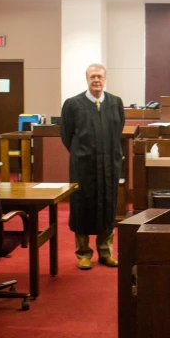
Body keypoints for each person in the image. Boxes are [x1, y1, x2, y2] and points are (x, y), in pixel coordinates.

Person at [61, 63, 125, 270]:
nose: (96, 80)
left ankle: (106, 253)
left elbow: (118, 131)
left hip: (109, 165)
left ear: (105, 79)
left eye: (99, 76)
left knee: (108, 206)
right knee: (82, 207)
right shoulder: (73, 104)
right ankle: (83, 253)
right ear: (86, 79)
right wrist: (82, 154)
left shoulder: (115, 103)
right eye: (92, 77)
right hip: (83, 166)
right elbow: (66, 134)